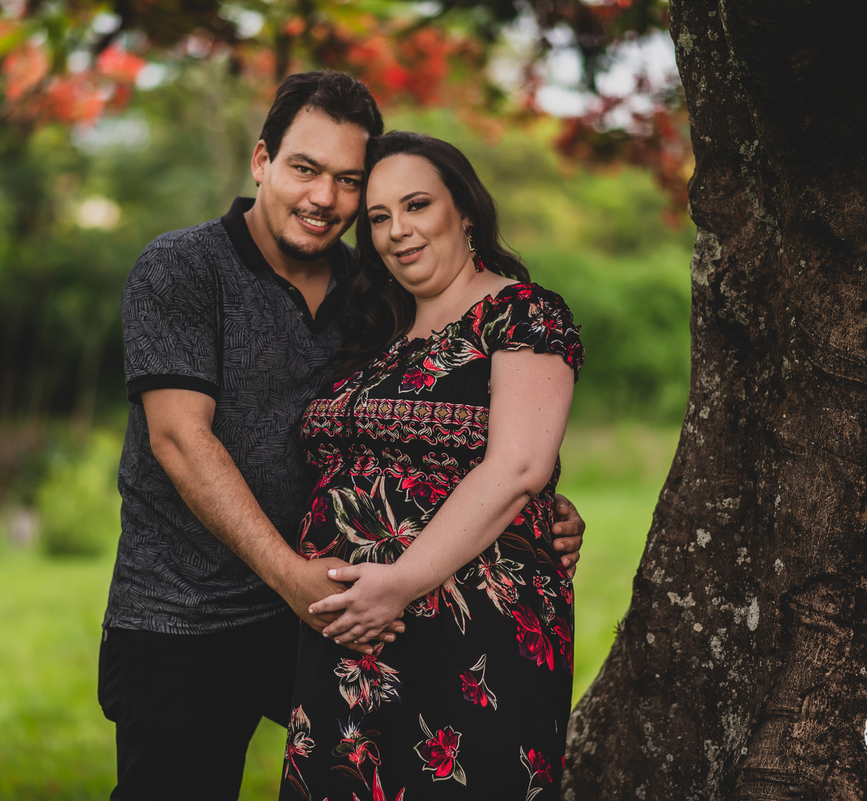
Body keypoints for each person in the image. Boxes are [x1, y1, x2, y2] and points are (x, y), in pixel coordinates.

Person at [97, 72, 586, 800]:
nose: (324, 197)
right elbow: (178, 440)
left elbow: (459, 426)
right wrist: (291, 576)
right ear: (262, 161)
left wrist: (538, 509)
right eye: (305, 168)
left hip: (343, 617)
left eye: (349, 181)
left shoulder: (374, 290)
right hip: (191, 612)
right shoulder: (184, 268)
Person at [279, 131, 584, 801]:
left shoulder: (522, 315)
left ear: (465, 210)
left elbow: (519, 467)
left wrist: (398, 583)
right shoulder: (378, 333)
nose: (397, 231)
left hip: (466, 633)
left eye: (416, 205)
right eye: (378, 217)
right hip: (353, 637)